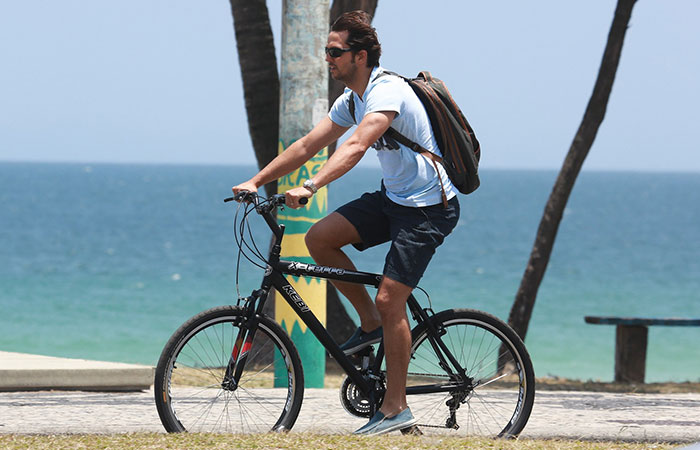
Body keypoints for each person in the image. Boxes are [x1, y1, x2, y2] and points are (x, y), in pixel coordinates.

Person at [232, 10, 460, 436]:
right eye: (326, 52)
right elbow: (306, 144)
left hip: (430, 206)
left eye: (335, 52)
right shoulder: (350, 100)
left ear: (360, 56)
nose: (328, 60)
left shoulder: (386, 90)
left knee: (392, 299)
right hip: (394, 199)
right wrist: (257, 180)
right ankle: (370, 323)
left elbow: (356, 144)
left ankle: (396, 410)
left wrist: (312, 185)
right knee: (321, 239)